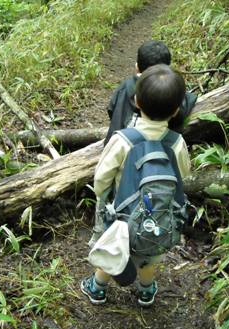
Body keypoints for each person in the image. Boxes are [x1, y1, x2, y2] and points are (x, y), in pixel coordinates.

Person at [81, 64, 191, 306]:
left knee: (112, 250)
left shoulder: (123, 140)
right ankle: (145, 290)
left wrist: (103, 199)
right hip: (158, 218)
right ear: (175, 111)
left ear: (137, 102)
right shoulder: (177, 143)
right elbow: (183, 174)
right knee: (148, 258)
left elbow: (101, 178)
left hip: (120, 217)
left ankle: (97, 288)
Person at [104, 40, 197, 144]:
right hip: (162, 147)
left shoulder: (125, 87)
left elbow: (111, 109)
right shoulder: (170, 91)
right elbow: (183, 107)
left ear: (137, 67)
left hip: (118, 143)